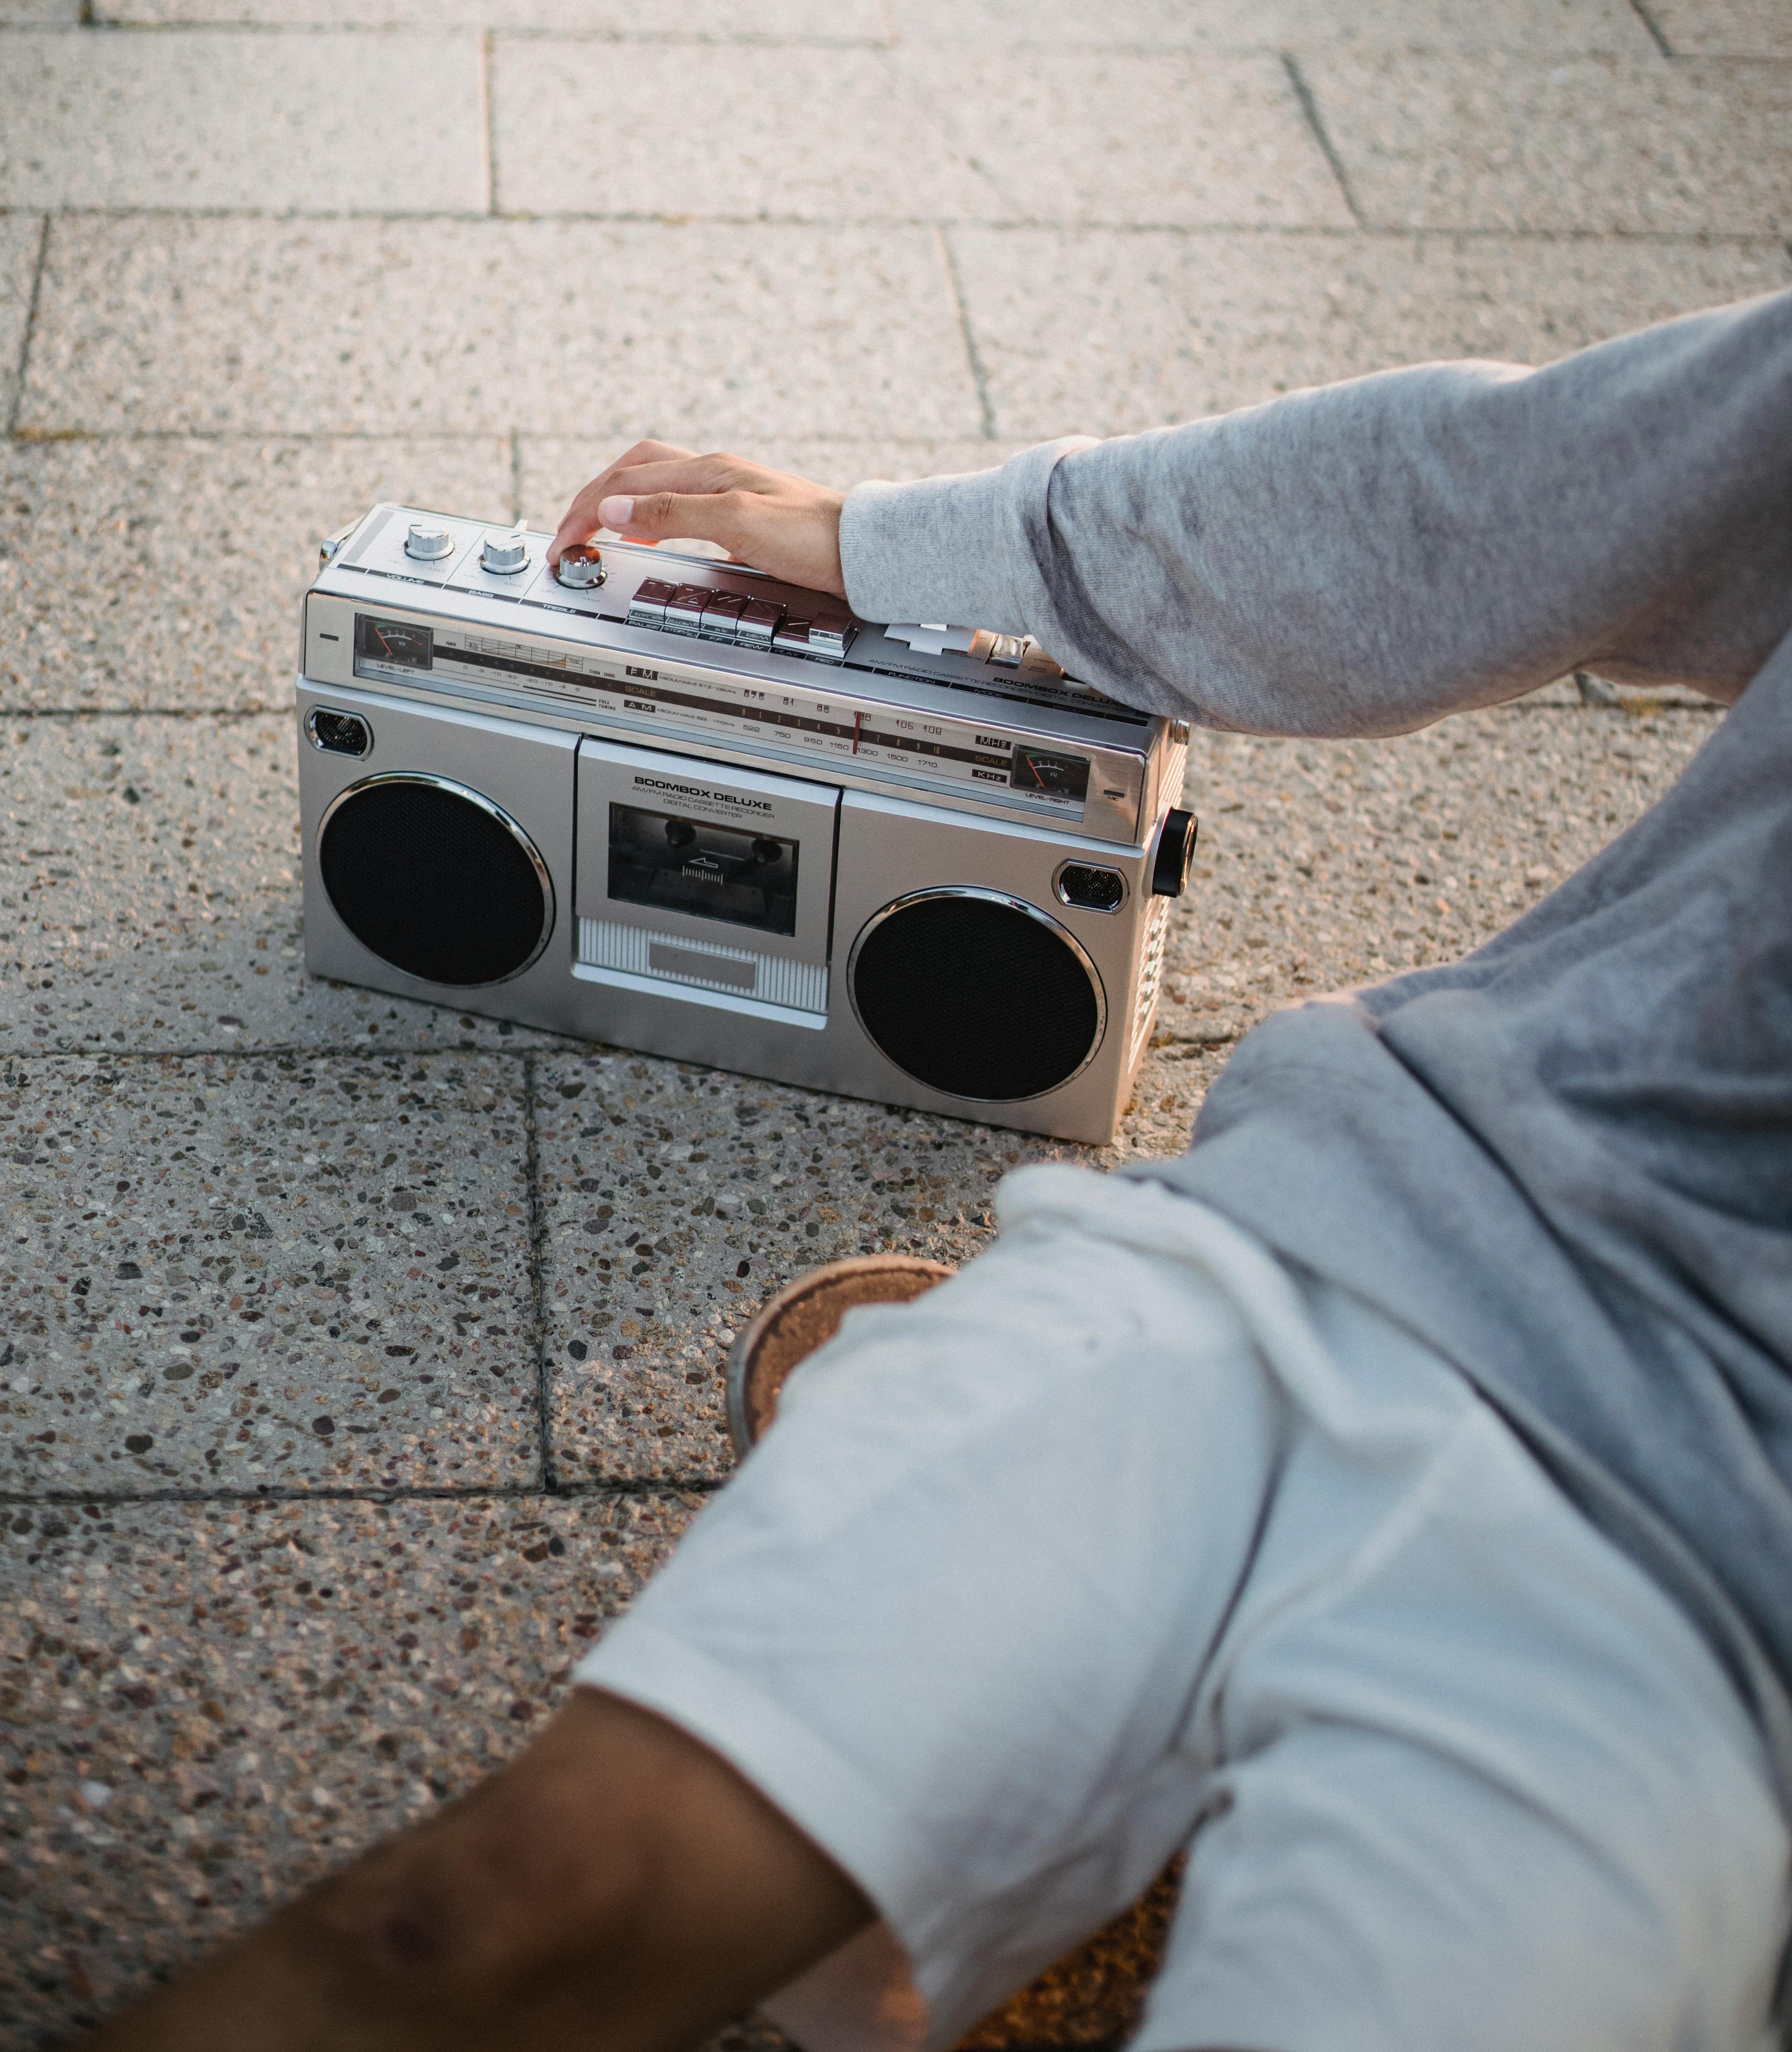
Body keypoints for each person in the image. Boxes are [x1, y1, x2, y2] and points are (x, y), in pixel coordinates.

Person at [95, 294, 1792, 2052]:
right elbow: (1483, 500)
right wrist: (883, 550)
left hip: (1704, 1616)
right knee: (473, 1920)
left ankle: (1100, 1778)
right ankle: (1126, 1782)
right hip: (1342, 1234)